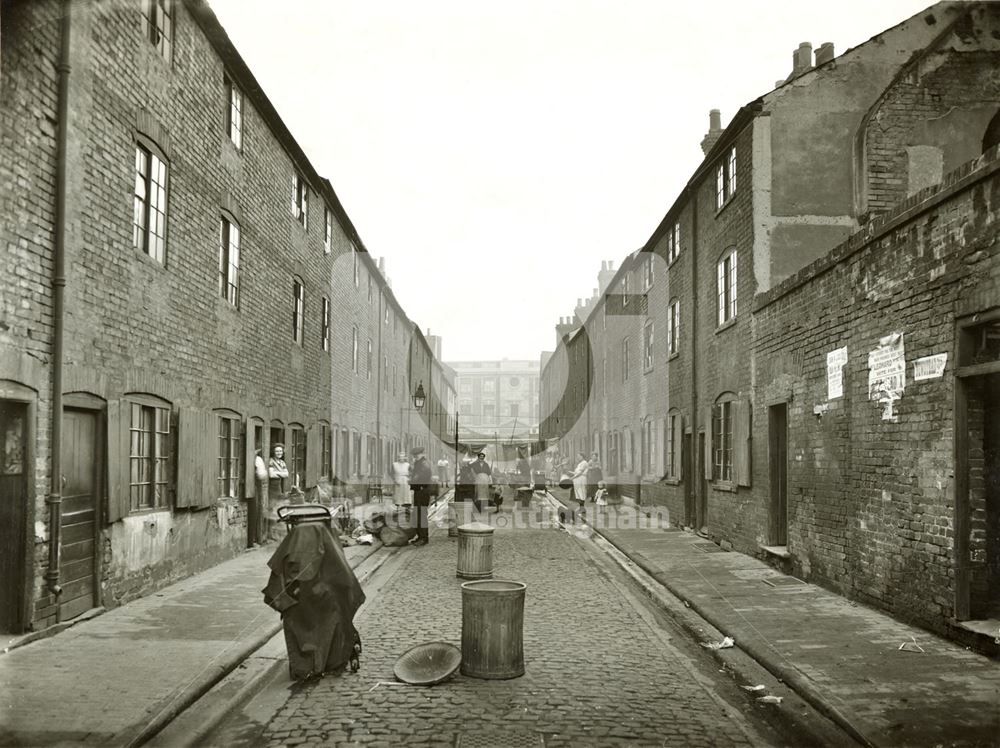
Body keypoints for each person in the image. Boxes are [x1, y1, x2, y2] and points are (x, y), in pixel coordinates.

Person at [262, 517, 365, 681]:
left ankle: (306, 663)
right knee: (336, 608)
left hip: (300, 605)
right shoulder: (331, 552)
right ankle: (331, 657)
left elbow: (277, 587)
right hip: (325, 601)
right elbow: (346, 584)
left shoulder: (290, 551)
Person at [408, 447, 434, 546]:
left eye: (417, 455)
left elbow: (418, 478)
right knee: (417, 515)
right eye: (414, 455)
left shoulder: (424, 465)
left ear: (422, 454)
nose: (415, 457)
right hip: (419, 491)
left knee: (422, 515)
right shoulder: (419, 463)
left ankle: (424, 538)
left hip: (423, 492)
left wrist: (410, 481)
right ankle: (420, 536)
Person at [249, 448, 268, 546]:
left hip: (245, 487)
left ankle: (251, 541)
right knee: (254, 512)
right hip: (253, 486)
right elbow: (262, 475)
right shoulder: (258, 459)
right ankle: (252, 541)